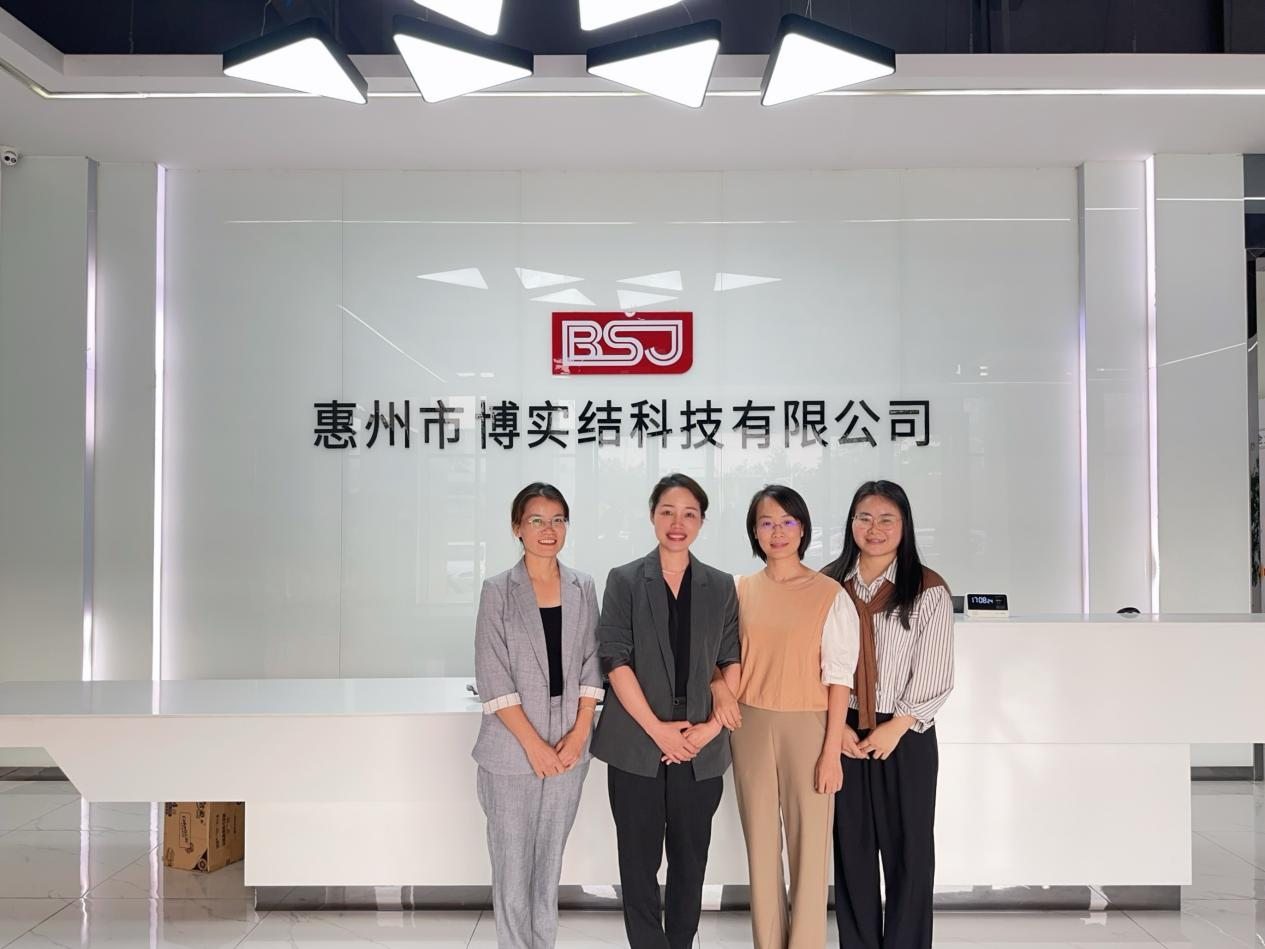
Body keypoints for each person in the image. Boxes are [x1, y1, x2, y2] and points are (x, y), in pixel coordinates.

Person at [590, 473, 742, 949]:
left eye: (689, 514)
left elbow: (731, 659)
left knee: (690, 862)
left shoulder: (720, 585)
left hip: (700, 747)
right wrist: (659, 731)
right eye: (668, 512)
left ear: (702, 521)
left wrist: (710, 729)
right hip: (637, 742)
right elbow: (615, 660)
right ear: (652, 515)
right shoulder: (625, 580)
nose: (678, 523)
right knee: (637, 863)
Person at [717, 484, 859, 949]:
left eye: (787, 521)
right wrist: (719, 687)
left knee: (809, 848)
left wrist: (832, 751)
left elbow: (840, 677)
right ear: (754, 532)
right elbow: (717, 656)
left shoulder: (829, 594)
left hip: (810, 726)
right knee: (761, 847)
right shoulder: (738, 590)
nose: (777, 532)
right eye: (767, 523)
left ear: (802, 529)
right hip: (749, 725)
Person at [821, 480, 953, 949]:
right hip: (842, 729)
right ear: (851, 523)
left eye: (886, 519)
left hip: (906, 734)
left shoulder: (927, 588)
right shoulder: (828, 584)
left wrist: (897, 726)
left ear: (904, 526)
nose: (874, 528)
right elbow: (812, 661)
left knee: (909, 854)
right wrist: (835, 729)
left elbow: (936, 670)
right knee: (851, 851)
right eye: (864, 518)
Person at [472, 482, 604, 949]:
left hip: (569, 747)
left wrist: (580, 733)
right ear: (517, 528)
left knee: (549, 865)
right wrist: (534, 746)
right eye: (536, 520)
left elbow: (592, 662)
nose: (549, 530)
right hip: (512, 750)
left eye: (557, 520)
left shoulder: (583, 586)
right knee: (512, 867)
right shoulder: (497, 591)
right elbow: (492, 675)